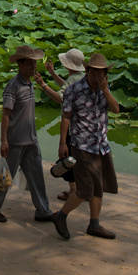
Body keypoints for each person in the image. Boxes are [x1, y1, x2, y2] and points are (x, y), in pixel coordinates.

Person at [51, 53, 120, 241]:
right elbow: (65, 117)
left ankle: (94, 224)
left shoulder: (104, 89)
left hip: (101, 145)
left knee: (99, 186)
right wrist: (62, 143)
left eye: (103, 73)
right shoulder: (74, 90)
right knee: (85, 190)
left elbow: (116, 109)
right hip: (81, 145)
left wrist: (106, 90)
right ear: (88, 71)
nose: (100, 77)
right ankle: (61, 216)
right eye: (96, 72)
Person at [0, 45, 54, 224]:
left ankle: (43, 210)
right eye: (30, 64)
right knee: (5, 176)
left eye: (34, 64)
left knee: (36, 175)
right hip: (15, 141)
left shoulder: (30, 83)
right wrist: (3, 140)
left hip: (31, 139)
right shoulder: (13, 86)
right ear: (21, 65)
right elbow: (6, 114)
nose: (34, 67)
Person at [35, 48, 85, 201]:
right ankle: (83, 189)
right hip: (85, 127)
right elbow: (67, 86)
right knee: (81, 158)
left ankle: (74, 191)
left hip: (73, 125)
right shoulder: (82, 76)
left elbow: (62, 98)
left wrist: (43, 85)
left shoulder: (73, 79)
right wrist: (53, 74)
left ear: (68, 65)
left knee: (68, 158)